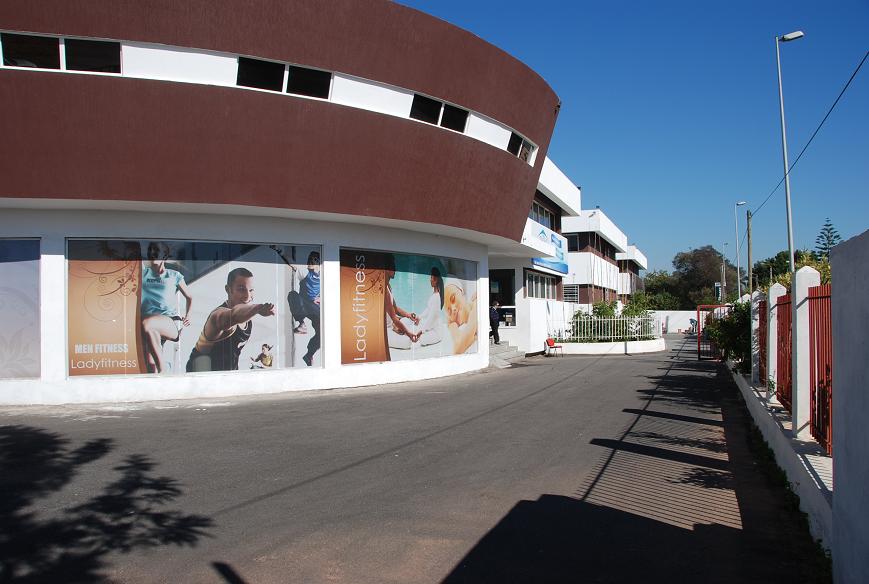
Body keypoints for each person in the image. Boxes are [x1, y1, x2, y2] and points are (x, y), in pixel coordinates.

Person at [186, 267, 275, 372]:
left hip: (227, 376)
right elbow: (234, 315)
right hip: (202, 376)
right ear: (228, 289)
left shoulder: (248, 320)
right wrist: (258, 308)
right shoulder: (218, 315)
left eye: (251, 290)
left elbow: (232, 355)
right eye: (241, 289)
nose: (247, 296)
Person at [140, 241, 193, 374]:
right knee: (150, 368)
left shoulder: (174, 275)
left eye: (156, 251)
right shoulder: (142, 274)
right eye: (150, 251)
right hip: (149, 324)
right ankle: (162, 374)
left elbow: (189, 297)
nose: (152, 253)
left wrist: (188, 316)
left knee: (147, 324)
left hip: (169, 321)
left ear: (164, 255)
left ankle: (163, 370)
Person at [287, 251, 321, 366]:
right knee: (292, 295)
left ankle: (309, 355)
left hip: (315, 309)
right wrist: (279, 251)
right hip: (303, 305)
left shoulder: (324, 275)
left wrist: (321, 298)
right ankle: (302, 324)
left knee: (321, 334)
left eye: (312, 262)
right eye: (309, 262)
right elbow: (292, 264)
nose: (309, 264)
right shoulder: (305, 272)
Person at [383, 254, 420, 349]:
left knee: (409, 320)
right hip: (385, 331)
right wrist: (408, 334)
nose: (395, 270)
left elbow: (395, 309)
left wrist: (408, 315)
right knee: (407, 343)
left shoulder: (388, 286)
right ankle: (398, 330)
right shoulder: (384, 290)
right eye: (393, 268)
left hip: (392, 325)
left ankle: (398, 329)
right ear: (386, 270)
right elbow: (394, 318)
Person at [443, 277, 478, 354]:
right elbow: (457, 349)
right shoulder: (452, 324)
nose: (453, 308)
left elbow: (459, 348)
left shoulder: (475, 305)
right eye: (449, 309)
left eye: (453, 298)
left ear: (461, 292)